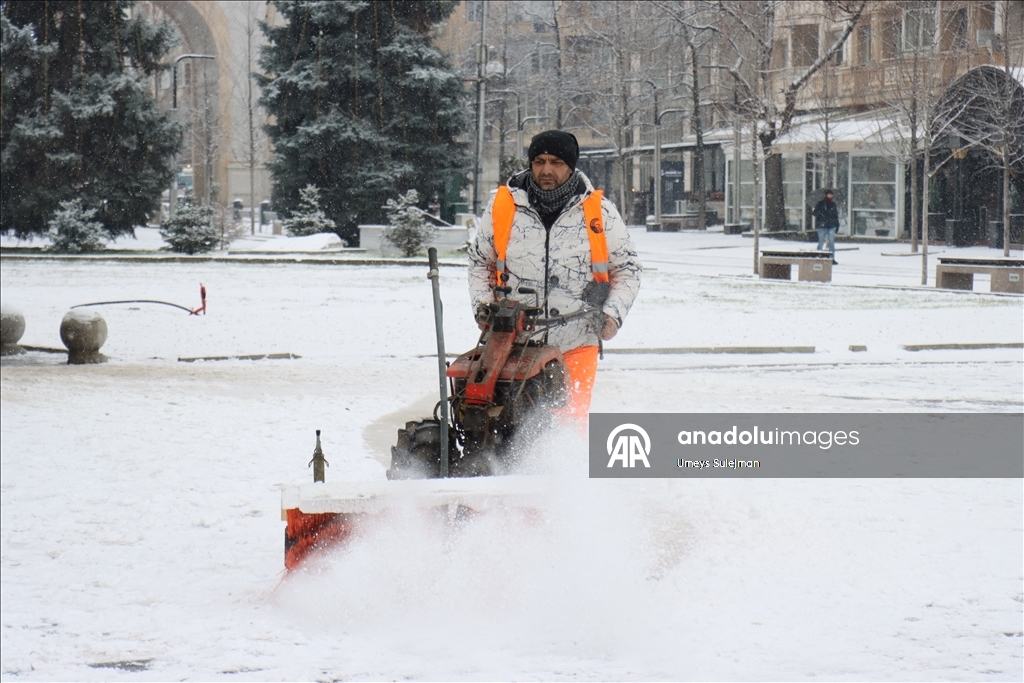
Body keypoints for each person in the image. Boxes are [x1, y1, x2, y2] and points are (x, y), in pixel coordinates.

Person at [468, 130, 642, 425]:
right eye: (539, 161)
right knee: (504, 425)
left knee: (567, 430)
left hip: (576, 343)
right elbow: (479, 264)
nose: (546, 169)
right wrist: (483, 308)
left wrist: (612, 316)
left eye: (556, 162)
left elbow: (628, 270)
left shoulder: (599, 213)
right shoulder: (503, 208)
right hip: (513, 343)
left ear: (571, 166)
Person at [812, 189, 840, 264]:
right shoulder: (821, 203)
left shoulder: (833, 204)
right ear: (826, 195)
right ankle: (818, 256)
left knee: (831, 242)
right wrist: (821, 213)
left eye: (831, 194)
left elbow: (835, 215)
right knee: (821, 242)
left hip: (831, 226)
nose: (830, 196)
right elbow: (815, 213)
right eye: (829, 194)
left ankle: (832, 258)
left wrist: (837, 225)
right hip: (822, 226)